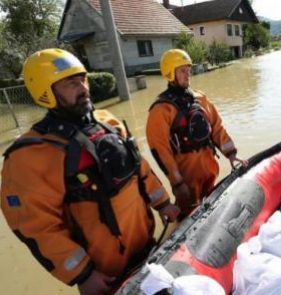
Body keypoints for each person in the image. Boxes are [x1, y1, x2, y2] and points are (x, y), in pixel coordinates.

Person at [0, 48, 180, 294]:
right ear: (46, 92)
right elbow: (37, 227)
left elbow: (141, 169)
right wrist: (82, 274)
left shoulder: (108, 122)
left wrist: (163, 204)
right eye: (70, 84)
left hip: (149, 248)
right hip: (104, 275)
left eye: (83, 79)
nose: (84, 88)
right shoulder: (28, 157)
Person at [146, 49, 247, 220]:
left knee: (212, 214)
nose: (188, 75)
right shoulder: (161, 110)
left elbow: (217, 128)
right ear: (170, 74)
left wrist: (231, 154)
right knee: (187, 219)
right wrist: (177, 183)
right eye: (182, 71)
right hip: (186, 179)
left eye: (188, 70)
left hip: (209, 171)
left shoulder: (200, 98)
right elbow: (160, 151)